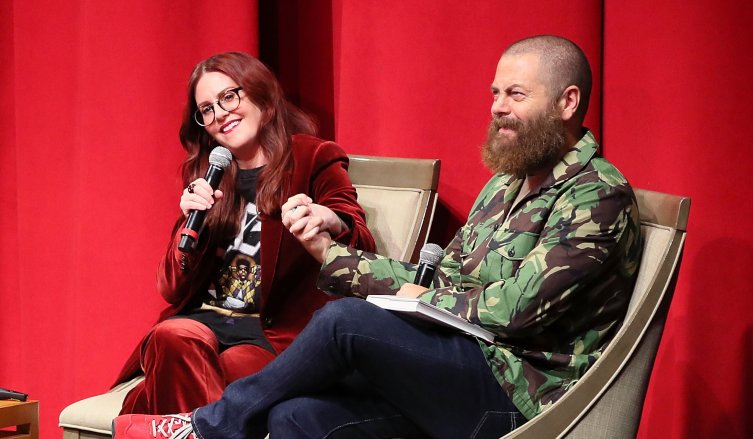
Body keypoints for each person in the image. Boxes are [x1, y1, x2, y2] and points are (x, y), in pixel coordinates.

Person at [113, 35, 642, 439]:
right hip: (458, 366)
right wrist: (332, 257)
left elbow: (514, 311)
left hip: (522, 395)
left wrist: (416, 294)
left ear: (568, 102)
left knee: (344, 320)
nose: (497, 106)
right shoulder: (504, 186)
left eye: (516, 94)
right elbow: (450, 276)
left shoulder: (597, 194)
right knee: (295, 416)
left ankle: (206, 427)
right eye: (495, 92)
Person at [112, 52, 375, 415]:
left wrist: (328, 218)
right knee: (170, 336)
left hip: (271, 336)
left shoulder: (313, 158)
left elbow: (362, 242)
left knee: (204, 374)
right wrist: (192, 224)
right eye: (206, 109)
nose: (219, 114)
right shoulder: (210, 176)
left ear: (261, 95)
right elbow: (171, 288)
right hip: (205, 324)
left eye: (228, 97)